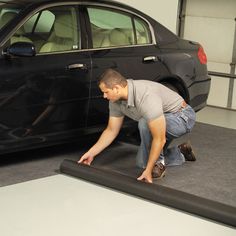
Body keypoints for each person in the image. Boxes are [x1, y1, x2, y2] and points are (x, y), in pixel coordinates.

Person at [78, 68, 196, 183]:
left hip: (182, 117)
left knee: (145, 124)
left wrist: (149, 170)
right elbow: (111, 130)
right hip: (160, 118)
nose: (104, 96)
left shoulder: (145, 96)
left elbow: (159, 138)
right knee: (142, 162)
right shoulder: (115, 101)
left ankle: (159, 164)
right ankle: (181, 152)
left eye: (106, 92)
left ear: (117, 88)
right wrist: (91, 153)